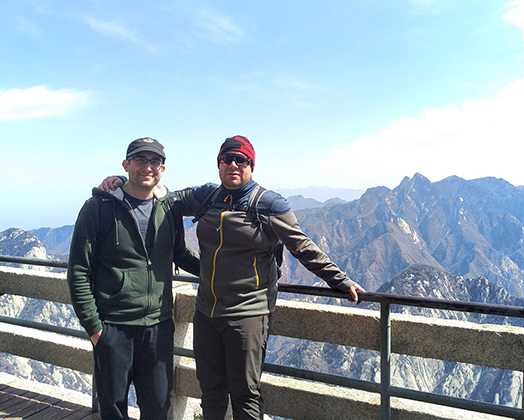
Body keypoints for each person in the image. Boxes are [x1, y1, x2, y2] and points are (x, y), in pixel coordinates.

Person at [100, 135, 366, 420]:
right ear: (219, 164)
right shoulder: (207, 196)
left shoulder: (269, 204)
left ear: (252, 165)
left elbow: (303, 247)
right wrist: (123, 180)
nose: (234, 164)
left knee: (245, 393)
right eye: (227, 159)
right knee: (211, 390)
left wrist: (342, 280)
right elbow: (161, 197)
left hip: (248, 315)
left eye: (242, 160)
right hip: (207, 312)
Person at [68, 137, 200, 420]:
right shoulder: (98, 208)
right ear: (126, 165)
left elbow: (181, 254)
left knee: (158, 407)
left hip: (159, 325)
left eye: (155, 161)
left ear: (162, 169)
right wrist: (95, 329)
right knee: (113, 409)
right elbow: (79, 270)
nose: (148, 167)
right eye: (140, 160)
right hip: (114, 327)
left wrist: (226, 273)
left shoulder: (170, 207)